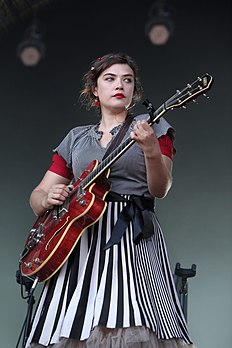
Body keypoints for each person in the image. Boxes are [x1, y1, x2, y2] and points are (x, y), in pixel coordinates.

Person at [25, 53, 195, 348]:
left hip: (132, 240)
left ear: (134, 90)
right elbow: (37, 197)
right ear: (95, 89)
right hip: (80, 242)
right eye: (111, 78)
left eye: (127, 80)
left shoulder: (152, 126)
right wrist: (48, 197)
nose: (120, 85)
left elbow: (161, 188)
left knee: (132, 319)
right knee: (75, 324)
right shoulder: (76, 138)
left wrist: (151, 149)